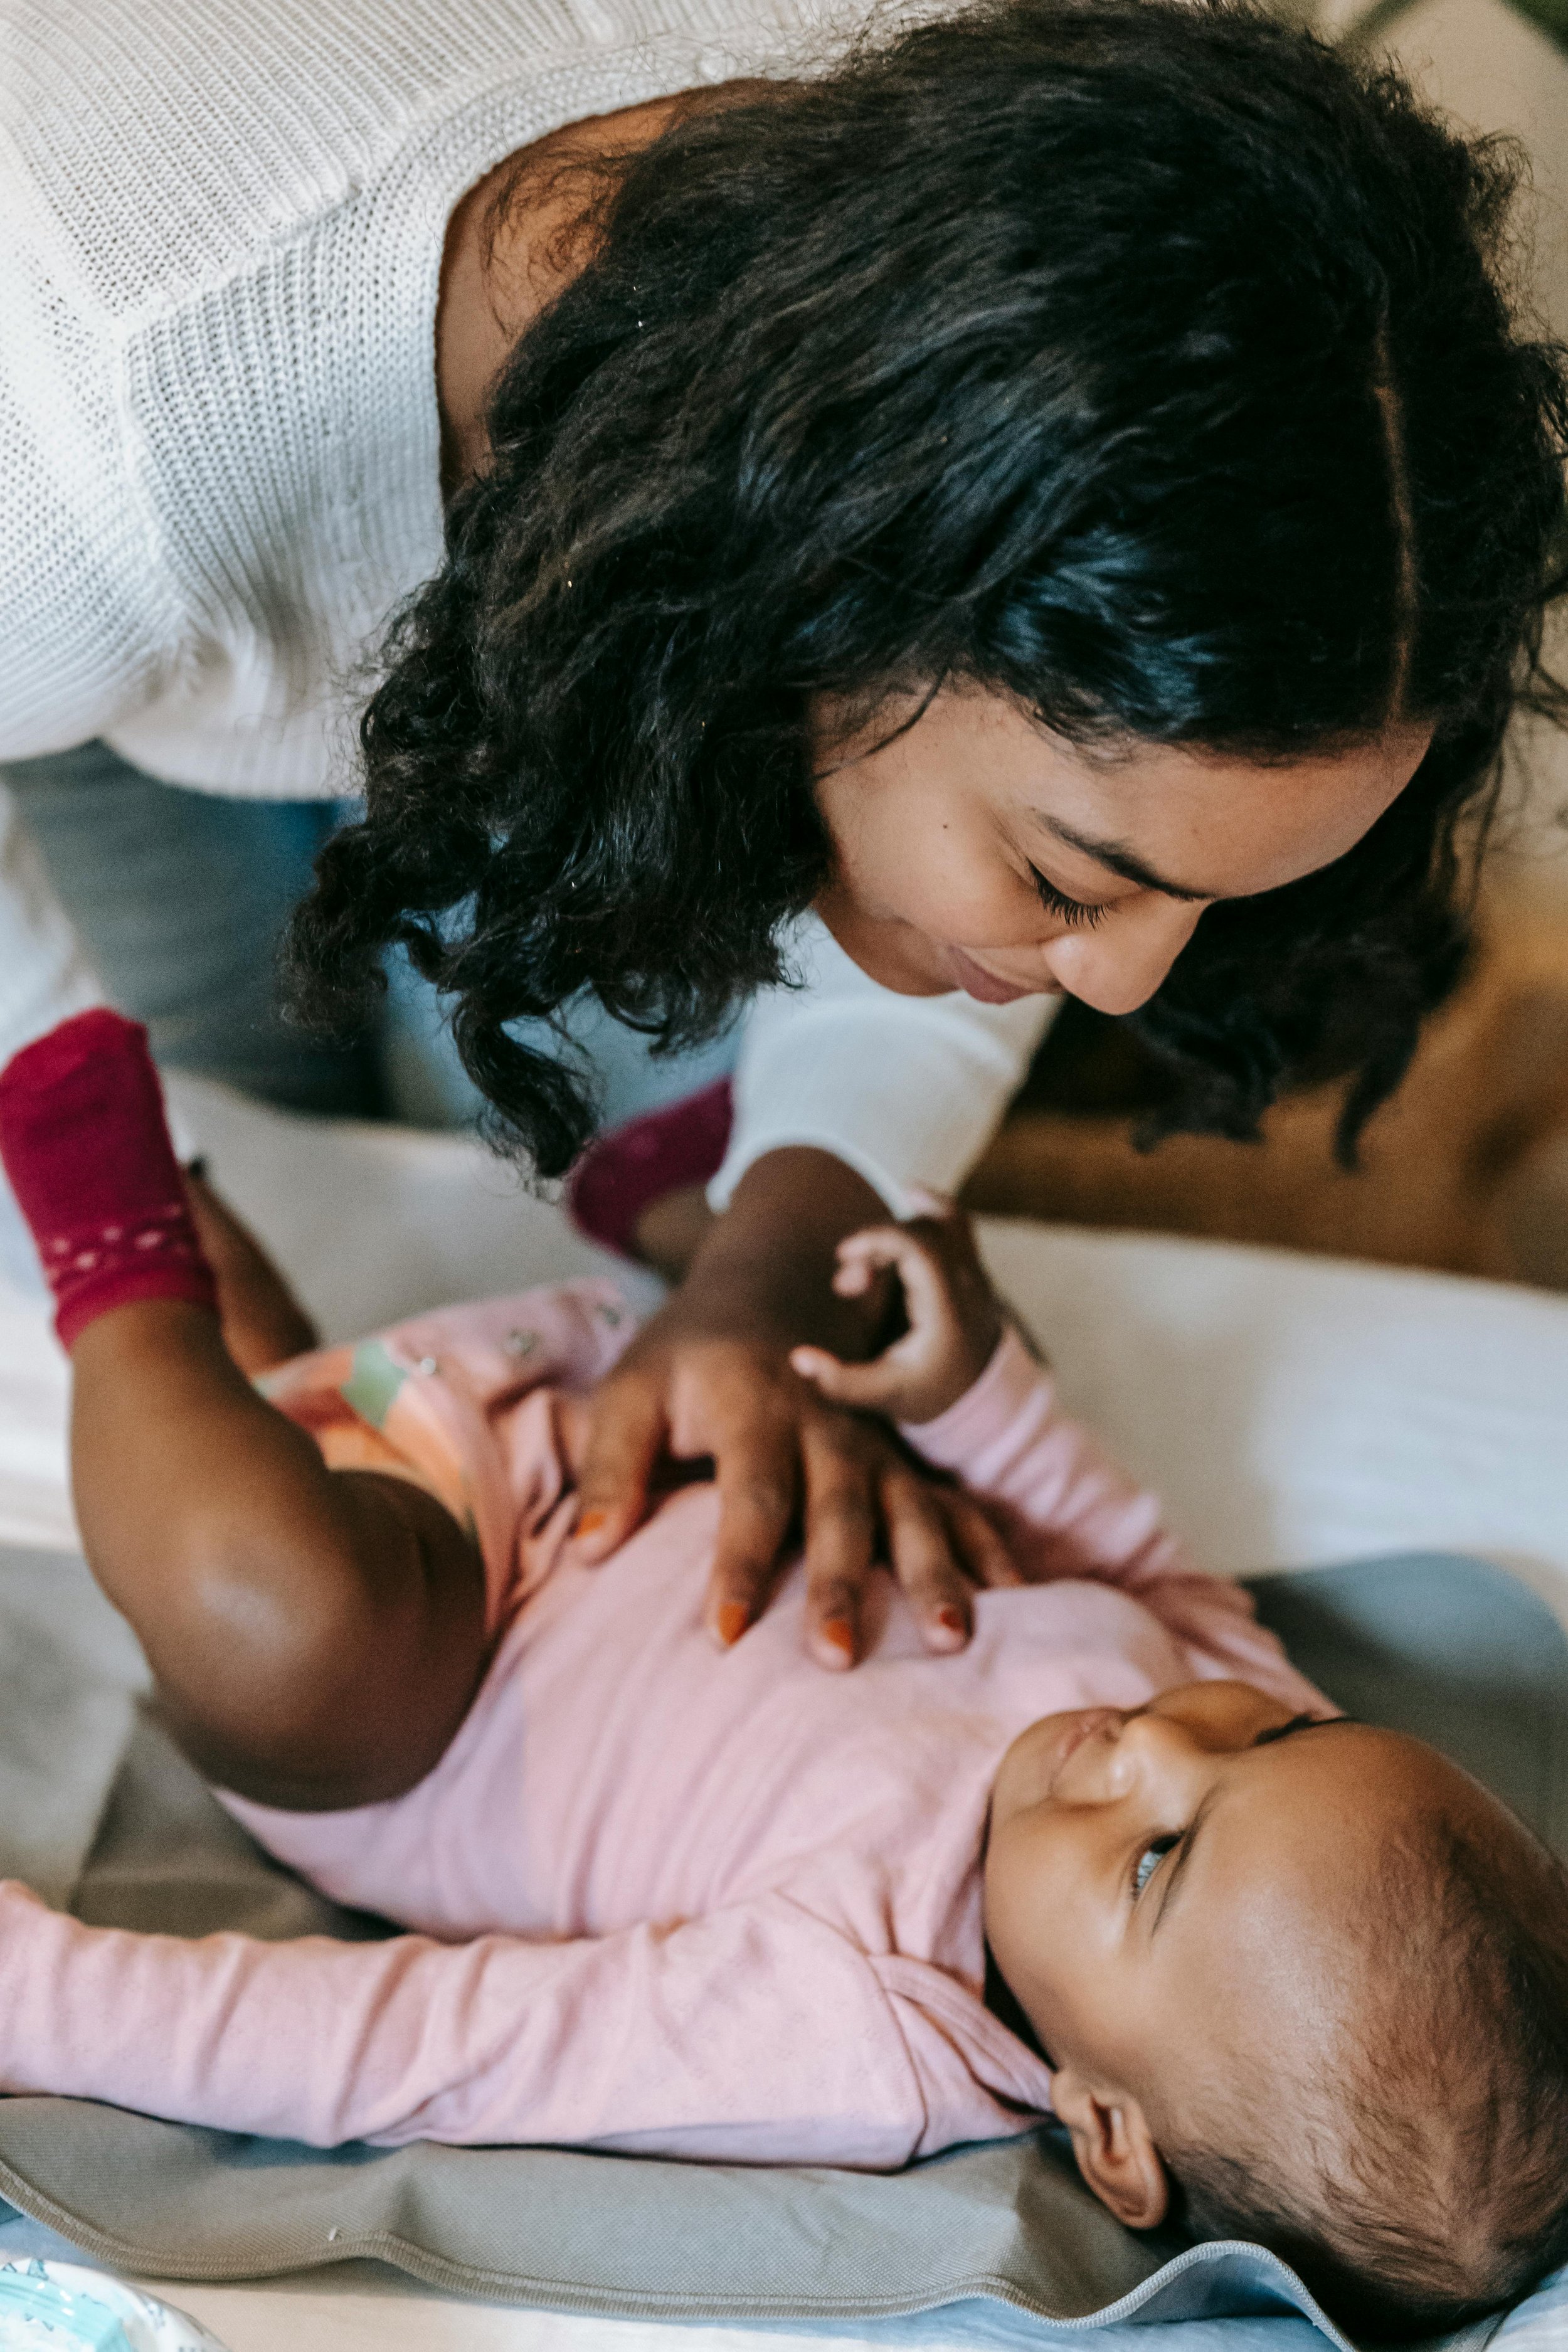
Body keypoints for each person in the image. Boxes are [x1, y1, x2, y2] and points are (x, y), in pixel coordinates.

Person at [3, 0, 1565, 1670]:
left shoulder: (1025, 256)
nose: (1118, 990)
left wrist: (802, 1202)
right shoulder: (89, 455)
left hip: (517, 602)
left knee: (683, 1146)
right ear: (827, 574)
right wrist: (124, 1224)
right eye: (1069, 880)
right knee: (249, 1134)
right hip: (75, 700)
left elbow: (966, 821)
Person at [4, 1007, 1568, 2341]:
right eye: (1277, 1734)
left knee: (269, 1598)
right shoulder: (1201, 1696)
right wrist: (974, 1396)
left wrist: (51, 2002)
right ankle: (683, 1213)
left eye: (1156, 1859)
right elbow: (1151, 1569)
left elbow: (428, 2048)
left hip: (414, 1659)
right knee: (896, 1267)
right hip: (608, 1410)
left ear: (1105, 2128)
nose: (1147, 1741)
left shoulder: (856, 2023)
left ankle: (116, 1235)